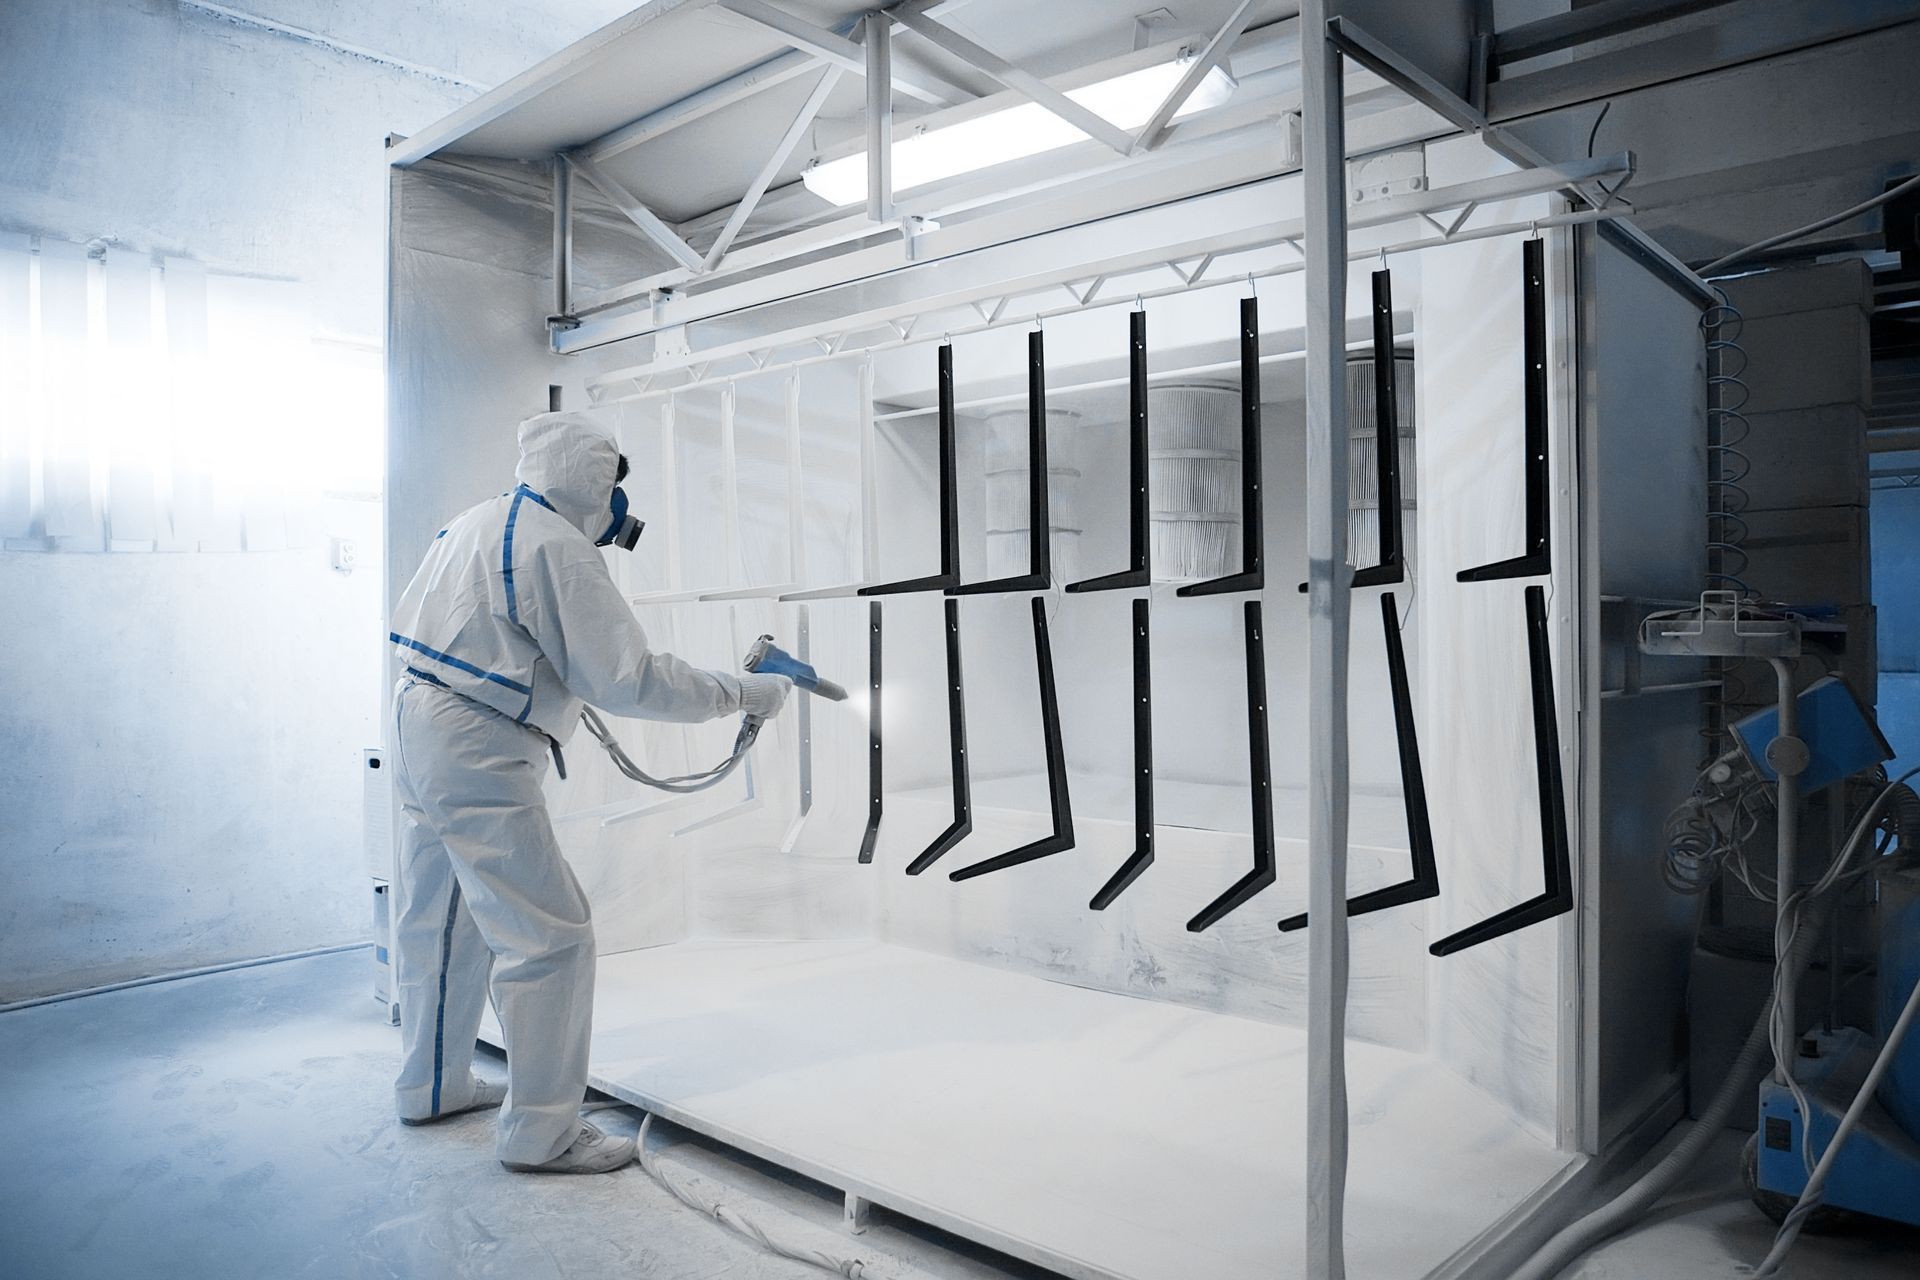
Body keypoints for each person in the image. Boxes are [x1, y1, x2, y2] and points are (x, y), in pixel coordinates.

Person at [384, 410, 790, 1174]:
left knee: (439, 919)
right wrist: (745, 692)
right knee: (550, 936)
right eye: (612, 487)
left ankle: (428, 1087)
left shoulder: (476, 522)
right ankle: (542, 1133)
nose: (616, 510)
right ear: (591, 482)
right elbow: (629, 680)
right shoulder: (559, 550)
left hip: (418, 720)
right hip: (478, 741)